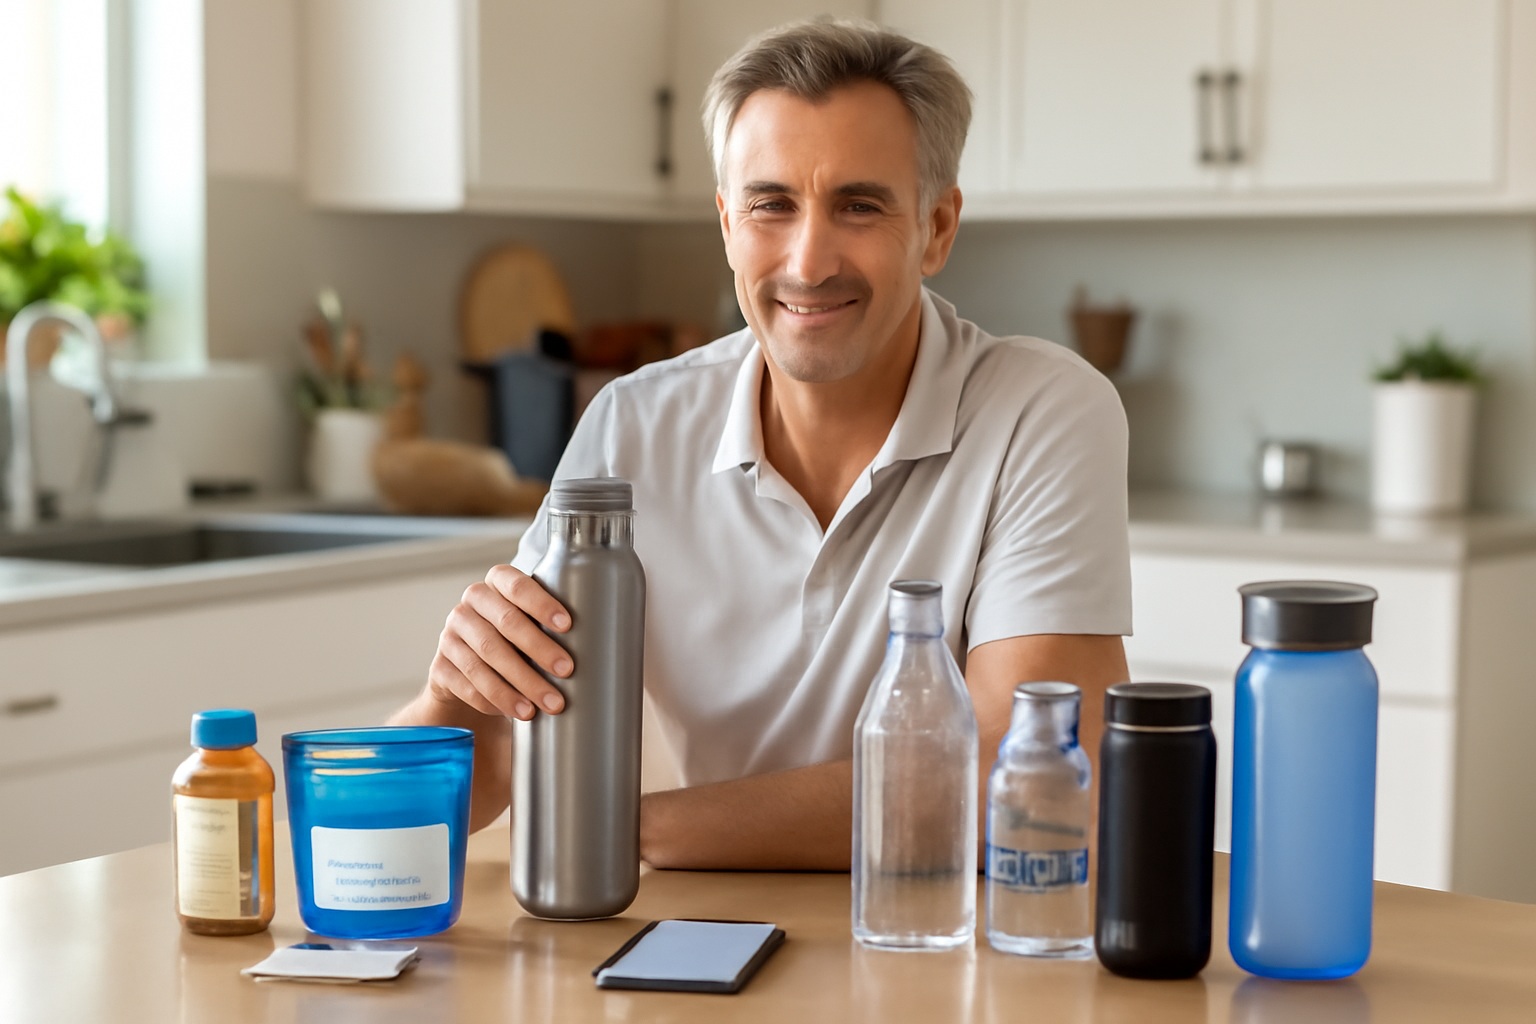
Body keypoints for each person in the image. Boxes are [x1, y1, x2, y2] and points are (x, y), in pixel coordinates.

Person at [389, 18, 1132, 870]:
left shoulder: (1041, 411)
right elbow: (486, 772)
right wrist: (455, 694)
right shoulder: (633, 426)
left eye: (858, 205)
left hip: (950, 953)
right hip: (708, 943)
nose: (809, 261)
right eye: (770, 205)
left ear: (936, 227)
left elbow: (1034, 783)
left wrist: (633, 830)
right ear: (727, 224)